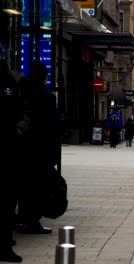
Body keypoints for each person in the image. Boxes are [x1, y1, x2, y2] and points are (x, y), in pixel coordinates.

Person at [16, 62, 61, 237]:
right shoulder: (48, 97)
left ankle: (22, 216)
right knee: (38, 186)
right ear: (44, 77)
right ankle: (32, 221)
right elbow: (52, 126)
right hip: (40, 149)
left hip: (22, 147)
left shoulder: (21, 93)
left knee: (23, 184)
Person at [0, 47, 23, 262]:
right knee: (6, 198)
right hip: (6, 149)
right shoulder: (7, 80)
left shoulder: (8, 79)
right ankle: (4, 244)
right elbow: (16, 111)